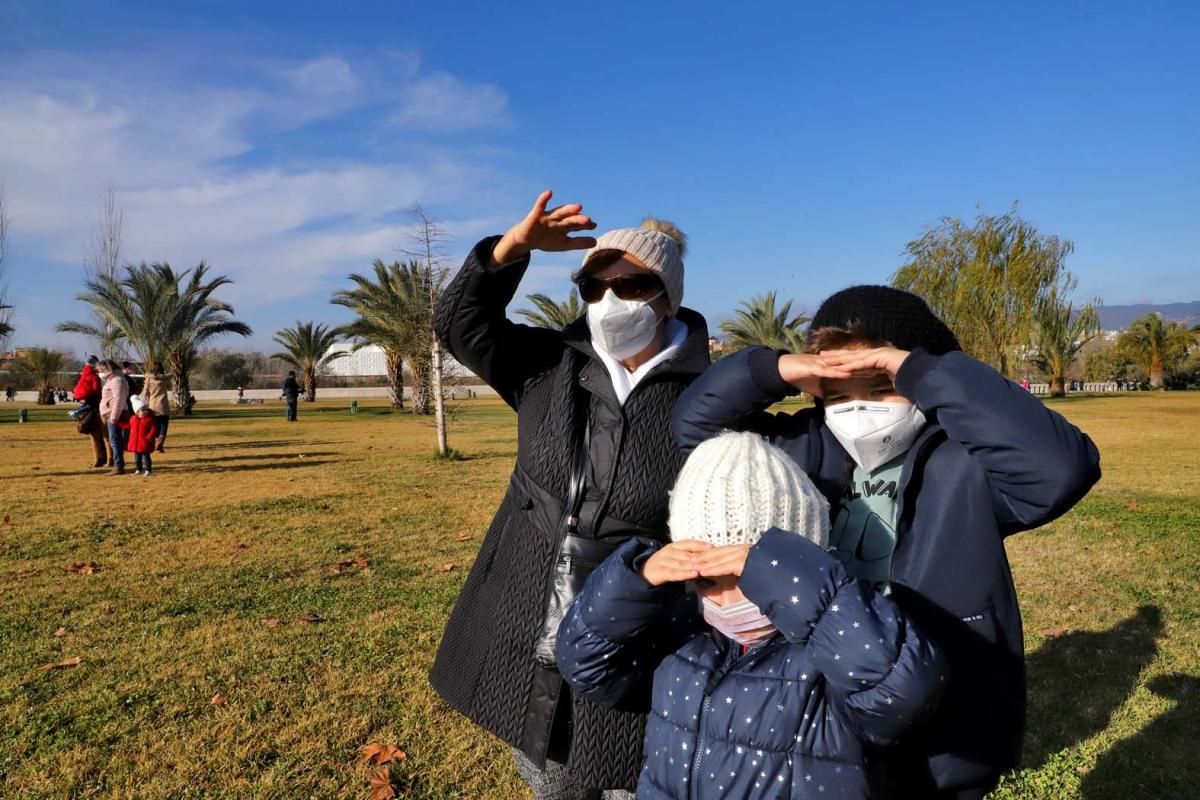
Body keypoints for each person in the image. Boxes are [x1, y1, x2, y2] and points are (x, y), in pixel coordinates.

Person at [673, 285, 1102, 799]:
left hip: (943, 707)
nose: (858, 410)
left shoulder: (965, 463)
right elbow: (695, 428)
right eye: (838, 394)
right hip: (818, 698)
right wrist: (773, 370)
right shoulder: (800, 449)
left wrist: (921, 371)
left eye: (880, 388)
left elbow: (1060, 470)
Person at [428, 190, 710, 799]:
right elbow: (458, 323)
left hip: (644, 624)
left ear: (668, 297)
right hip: (531, 603)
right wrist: (511, 250)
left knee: (630, 772)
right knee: (550, 772)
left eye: (632, 286)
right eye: (593, 287)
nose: (611, 302)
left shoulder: (707, 390)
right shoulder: (547, 365)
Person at [557, 431, 947, 799]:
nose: (726, 600)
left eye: (747, 579)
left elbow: (902, 694)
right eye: (708, 581)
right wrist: (636, 580)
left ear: (796, 568)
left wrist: (795, 582)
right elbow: (586, 665)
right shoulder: (682, 636)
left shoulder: (829, 654)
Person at [72, 355, 109, 468]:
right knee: (104, 436)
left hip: (87, 407)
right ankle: (108, 458)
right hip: (97, 407)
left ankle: (97, 458)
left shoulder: (83, 376)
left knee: (93, 436)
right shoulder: (95, 377)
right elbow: (97, 391)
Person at [98, 359, 132, 475]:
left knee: (115, 441)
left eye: (101, 370)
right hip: (112, 413)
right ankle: (119, 464)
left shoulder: (117, 380)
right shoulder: (112, 379)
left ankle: (118, 466)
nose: (100, 372)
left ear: (107, 369)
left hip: (116, 414)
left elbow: (119, 399)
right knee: (115, 440)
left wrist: (114, 417)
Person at [141, 362, 173, 452]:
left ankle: (156, 442)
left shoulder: (148, 379)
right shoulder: (165, 378)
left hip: (153, 405)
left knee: (155, 425)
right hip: (163, 405)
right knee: (164, 425)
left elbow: (145, 392)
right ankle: (160, 442)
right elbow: (170, 384)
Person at [127, 396, 158, 477]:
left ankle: (148, 470)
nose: (145, 411)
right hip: (136, 443)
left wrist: (149, 437)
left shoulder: (149, 420)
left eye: (146, 409)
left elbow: (153, 429)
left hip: (145, 442)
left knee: (146, 457)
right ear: (137, 412)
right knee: (137, 458)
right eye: (142, 410)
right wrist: (119, 424)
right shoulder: (133, 419)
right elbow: (128, 426)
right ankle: (138, 469)